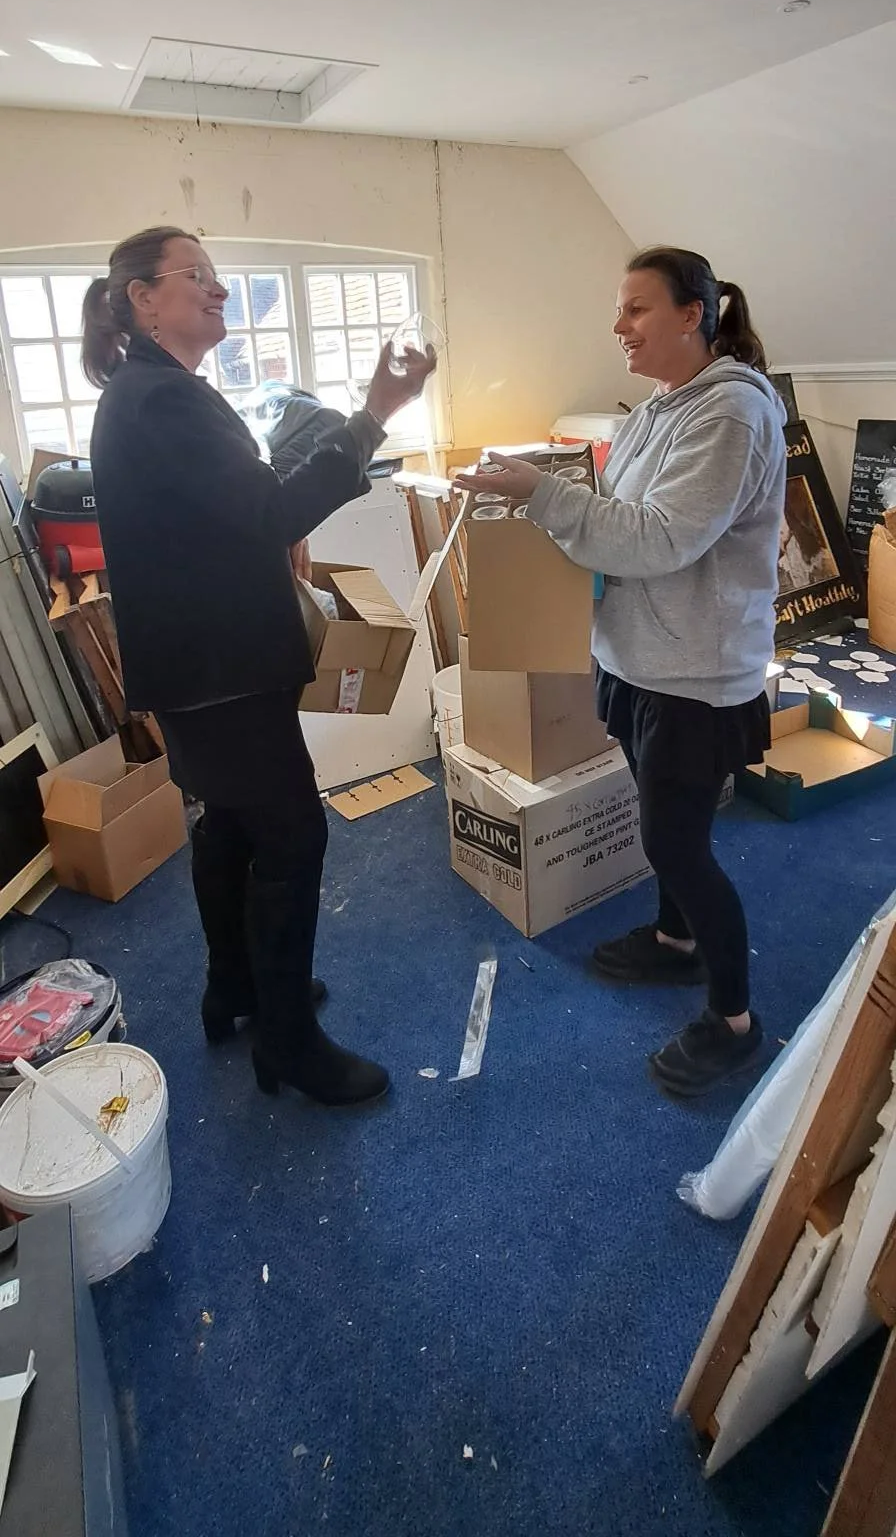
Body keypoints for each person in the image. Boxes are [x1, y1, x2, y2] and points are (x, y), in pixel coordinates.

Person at [83, 227, 434, 1109]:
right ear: (141, 298)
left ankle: (236, 989)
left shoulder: (155, 393)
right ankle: (289, 1042)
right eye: (196, 277)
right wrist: (374, 411)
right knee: (290, 835)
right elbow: (270, 508)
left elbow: (230, 513)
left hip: (203, 666)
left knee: (231, 826)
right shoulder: (160, 400)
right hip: (222, 669)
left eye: (218, 277)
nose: (219, 291)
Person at [461, 248, 786, 1098]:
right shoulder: (655, 409)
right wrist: (536, 494)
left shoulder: (732, 416)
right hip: (639, 658)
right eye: (619, 310)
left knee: (673, 841)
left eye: (637, 309)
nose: (618, 327)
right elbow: (608, 512)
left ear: (693, 315)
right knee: (662, 824)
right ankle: (677, 944)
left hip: (696, 674)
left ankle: (735, 1022)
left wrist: (540, 494)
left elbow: (655, 539)